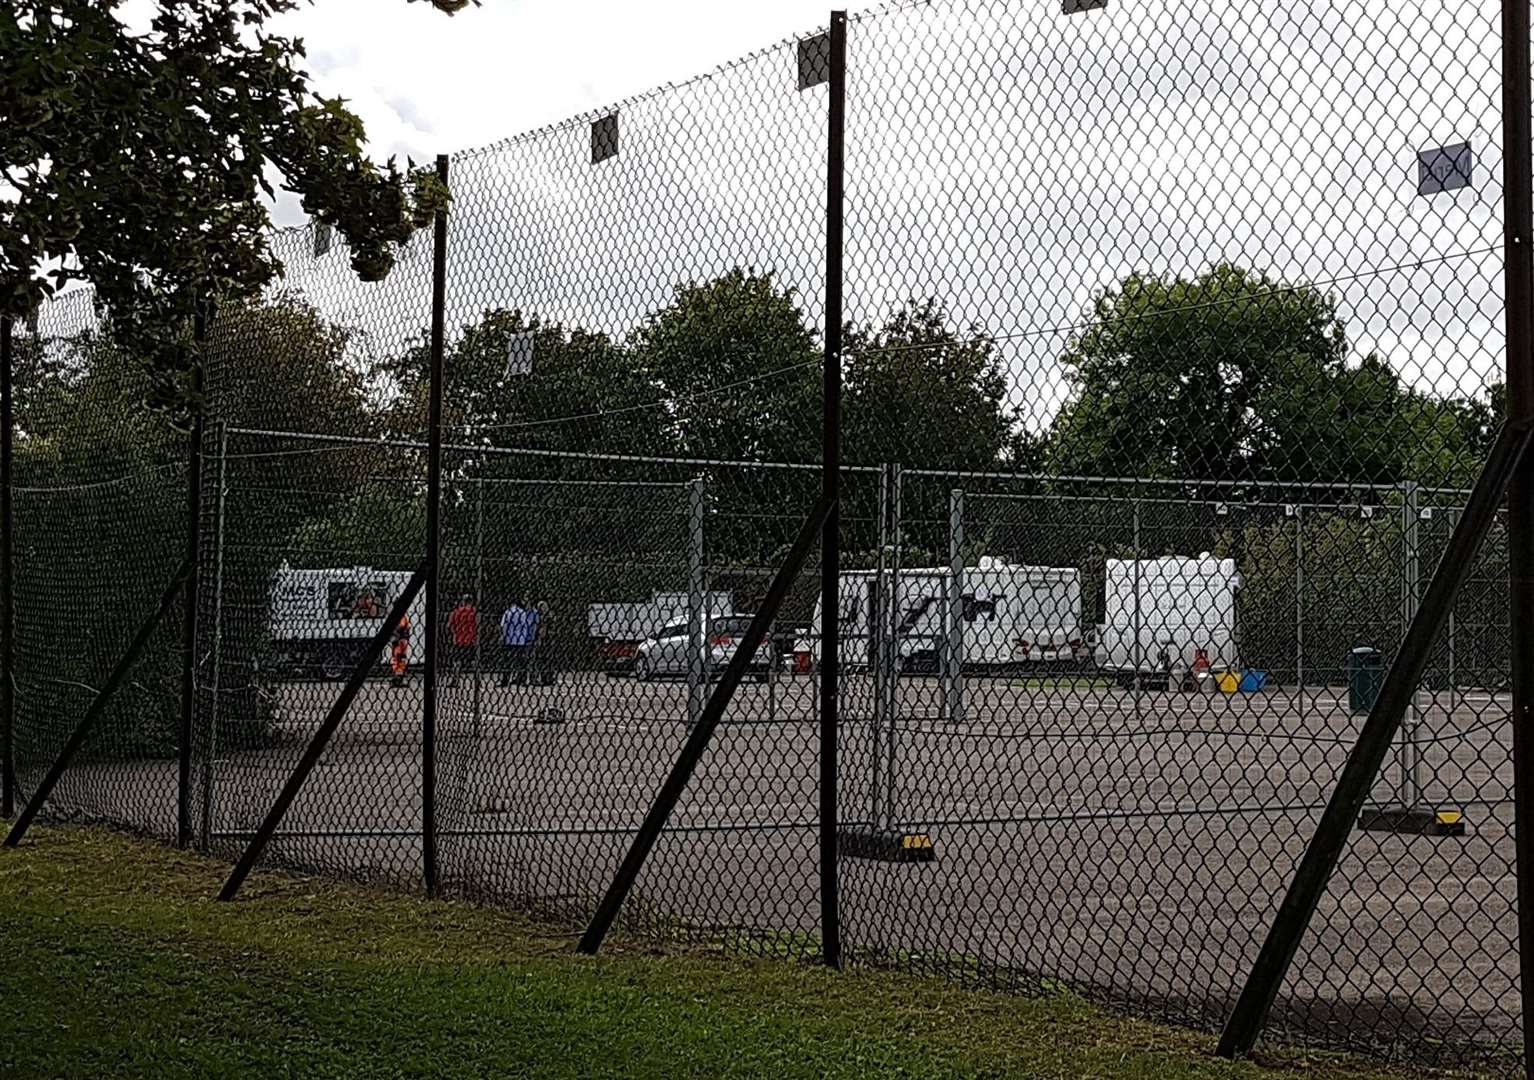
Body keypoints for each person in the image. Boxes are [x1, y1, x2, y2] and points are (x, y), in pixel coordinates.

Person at [499, 598, 538, 687]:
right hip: (520, 640)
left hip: (509, 639)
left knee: (507, 660)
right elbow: (525, 626)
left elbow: (503, 625)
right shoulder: (522, 613)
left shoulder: (507, 612)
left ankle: (506, 679)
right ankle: (521, 679)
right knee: (521, 660)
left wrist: (504, 636)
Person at [447, 594, 478, 683]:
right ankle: (477, 679)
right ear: (471, 602)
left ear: (463, 601)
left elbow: (449, 626)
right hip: (471, 639)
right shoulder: (474, 612)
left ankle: (455, 679)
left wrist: (454, 633)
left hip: (458, 639)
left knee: (457, 660)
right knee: (473, 660)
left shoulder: (456, 612)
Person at [389, 612, 411, 688]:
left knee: (401, 658)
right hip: (399, 640)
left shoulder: (402, 617)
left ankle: (399, 677)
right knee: (398, 657)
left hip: (401, 640)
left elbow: (405, 628)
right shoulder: (400, 617)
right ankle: (397, 677)